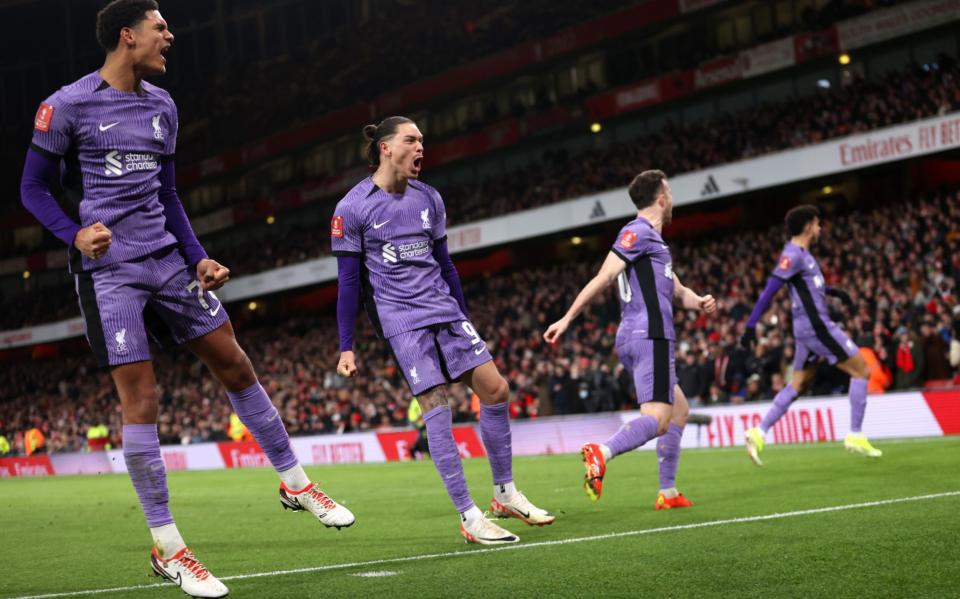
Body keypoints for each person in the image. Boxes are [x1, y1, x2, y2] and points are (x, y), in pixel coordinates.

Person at [18, 2, 352, 596]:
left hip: (168, 261)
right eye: (160, 27)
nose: (170, 36)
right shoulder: (66, 104)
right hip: (110, 272)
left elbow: (168, 195)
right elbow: (31, 188)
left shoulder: (163, 107)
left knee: (234, 360)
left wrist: (197, 254)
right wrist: (73, 232)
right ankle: (169, 547)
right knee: (142, 399)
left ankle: (296, 483)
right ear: (127, 35)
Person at [333, 116, 554, 545]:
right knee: (438, 409)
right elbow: (348, 282)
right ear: (385, 148)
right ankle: (470, 516)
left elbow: (446, 263)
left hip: (445, 311)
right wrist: (346, 346)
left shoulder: (429, 198)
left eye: (422, 141)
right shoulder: (352, 207)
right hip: (402, 320)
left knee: (496, 389)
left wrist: (465, 315)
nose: (421, 149)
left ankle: (504, 493)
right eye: (411, 140)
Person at [544, 170, 717, 509]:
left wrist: (697, 300)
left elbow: (677, 290)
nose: (673, 199)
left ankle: (667, 493)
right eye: (670, 191)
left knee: (679, 410)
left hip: (637, 335)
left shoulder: (653, 242)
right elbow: (604, 276)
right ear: (662, 198)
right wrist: (567, 317)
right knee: (658, 418)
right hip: (650, 335)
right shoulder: (637, 233)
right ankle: (602, 453)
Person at [740, 205, 881, 465]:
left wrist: (834, 292)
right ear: (807, 226)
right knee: (861, 371)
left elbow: (811, 287)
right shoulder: (792, 255)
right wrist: (750, 326)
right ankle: (855, 434)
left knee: (798, 385)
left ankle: (759, 432)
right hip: (816, 327)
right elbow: (770, 290)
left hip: (806, 330)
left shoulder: (804, 255)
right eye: (817, 223)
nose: (820, 228)